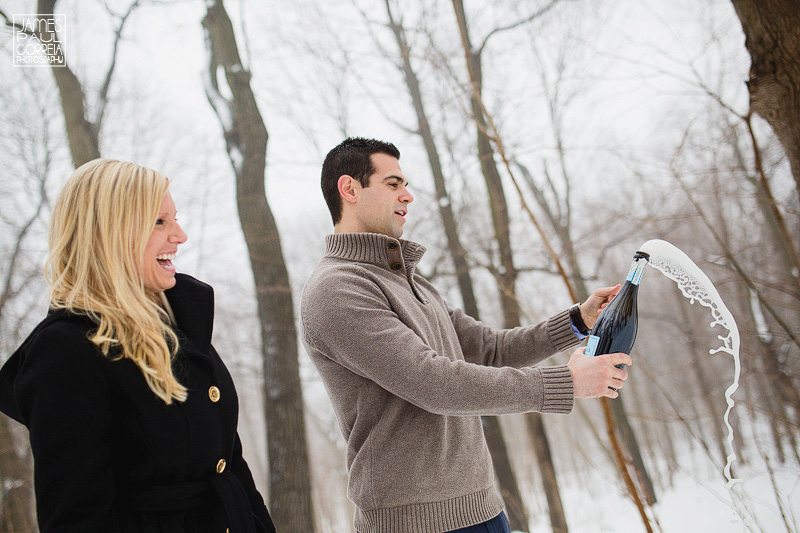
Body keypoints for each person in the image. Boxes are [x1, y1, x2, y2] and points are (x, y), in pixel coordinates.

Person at [301, 137, 632, 533]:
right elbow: (432, 382)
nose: (408, 195)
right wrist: (566, 382)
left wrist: (578, 320)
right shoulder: (336, 289)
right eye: (393, 184)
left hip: (482, 509)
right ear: (349, 188)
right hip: (414, 525)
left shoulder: (409, 281)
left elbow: (490, 350)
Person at [0, 159, 275, 533]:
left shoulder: (181, 324)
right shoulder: (65, 350)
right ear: (109, 232)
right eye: (160, 221)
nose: (179, 235)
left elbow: (230, 465)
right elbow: (78, 518)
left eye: (175, 218)